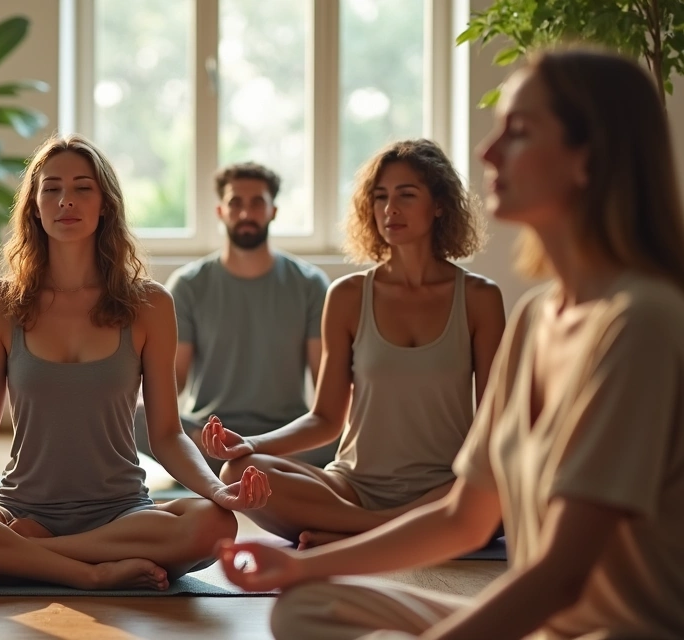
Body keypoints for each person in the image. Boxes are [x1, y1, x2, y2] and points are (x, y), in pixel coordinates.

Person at [217, 47, 684, 640]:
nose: (488, 151)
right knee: (305, 608)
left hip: (606, 630)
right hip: (526, 609)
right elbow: (467, 516)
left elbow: (560, 577)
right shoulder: (538, 314)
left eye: (517, 130)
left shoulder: (642, 321)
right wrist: (303, 564)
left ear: (587, 157)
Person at [0, 134, 272, 590]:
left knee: (214, 524)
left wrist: (215, 489)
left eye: (82, 188)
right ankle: (90, 574)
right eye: (51, 188)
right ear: (34, 205)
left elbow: (167, 435)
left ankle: (25, 556)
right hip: (19, 511)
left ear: (105, 204)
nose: (65, 200)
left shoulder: (150, 304)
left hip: (120, 514)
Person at [210, 139, 506, 548]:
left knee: (511, 484)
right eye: (380, 197)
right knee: (239, 473)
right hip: (353, 488)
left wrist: (472, 487)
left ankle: (356, 531)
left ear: (439, 204)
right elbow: (326, 418)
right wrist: (251, 444)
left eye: (406, 195)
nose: (390, 209)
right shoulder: (348, 295)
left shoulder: (479, 298)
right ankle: (392, 530)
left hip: (445, 487)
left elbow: (494, 420)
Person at [134, 162, 334, 470]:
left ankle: (242, 465)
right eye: (235, 203)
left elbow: (325, 378)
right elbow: (174, 378)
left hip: (285, 438)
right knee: (132, 414)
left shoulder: (310, 284)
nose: (245, 214)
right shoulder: (189, 284)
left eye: (257, 203)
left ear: (273, 211)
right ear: (220, 211)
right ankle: (246, 466)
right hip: (209, 436)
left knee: (356, 422)